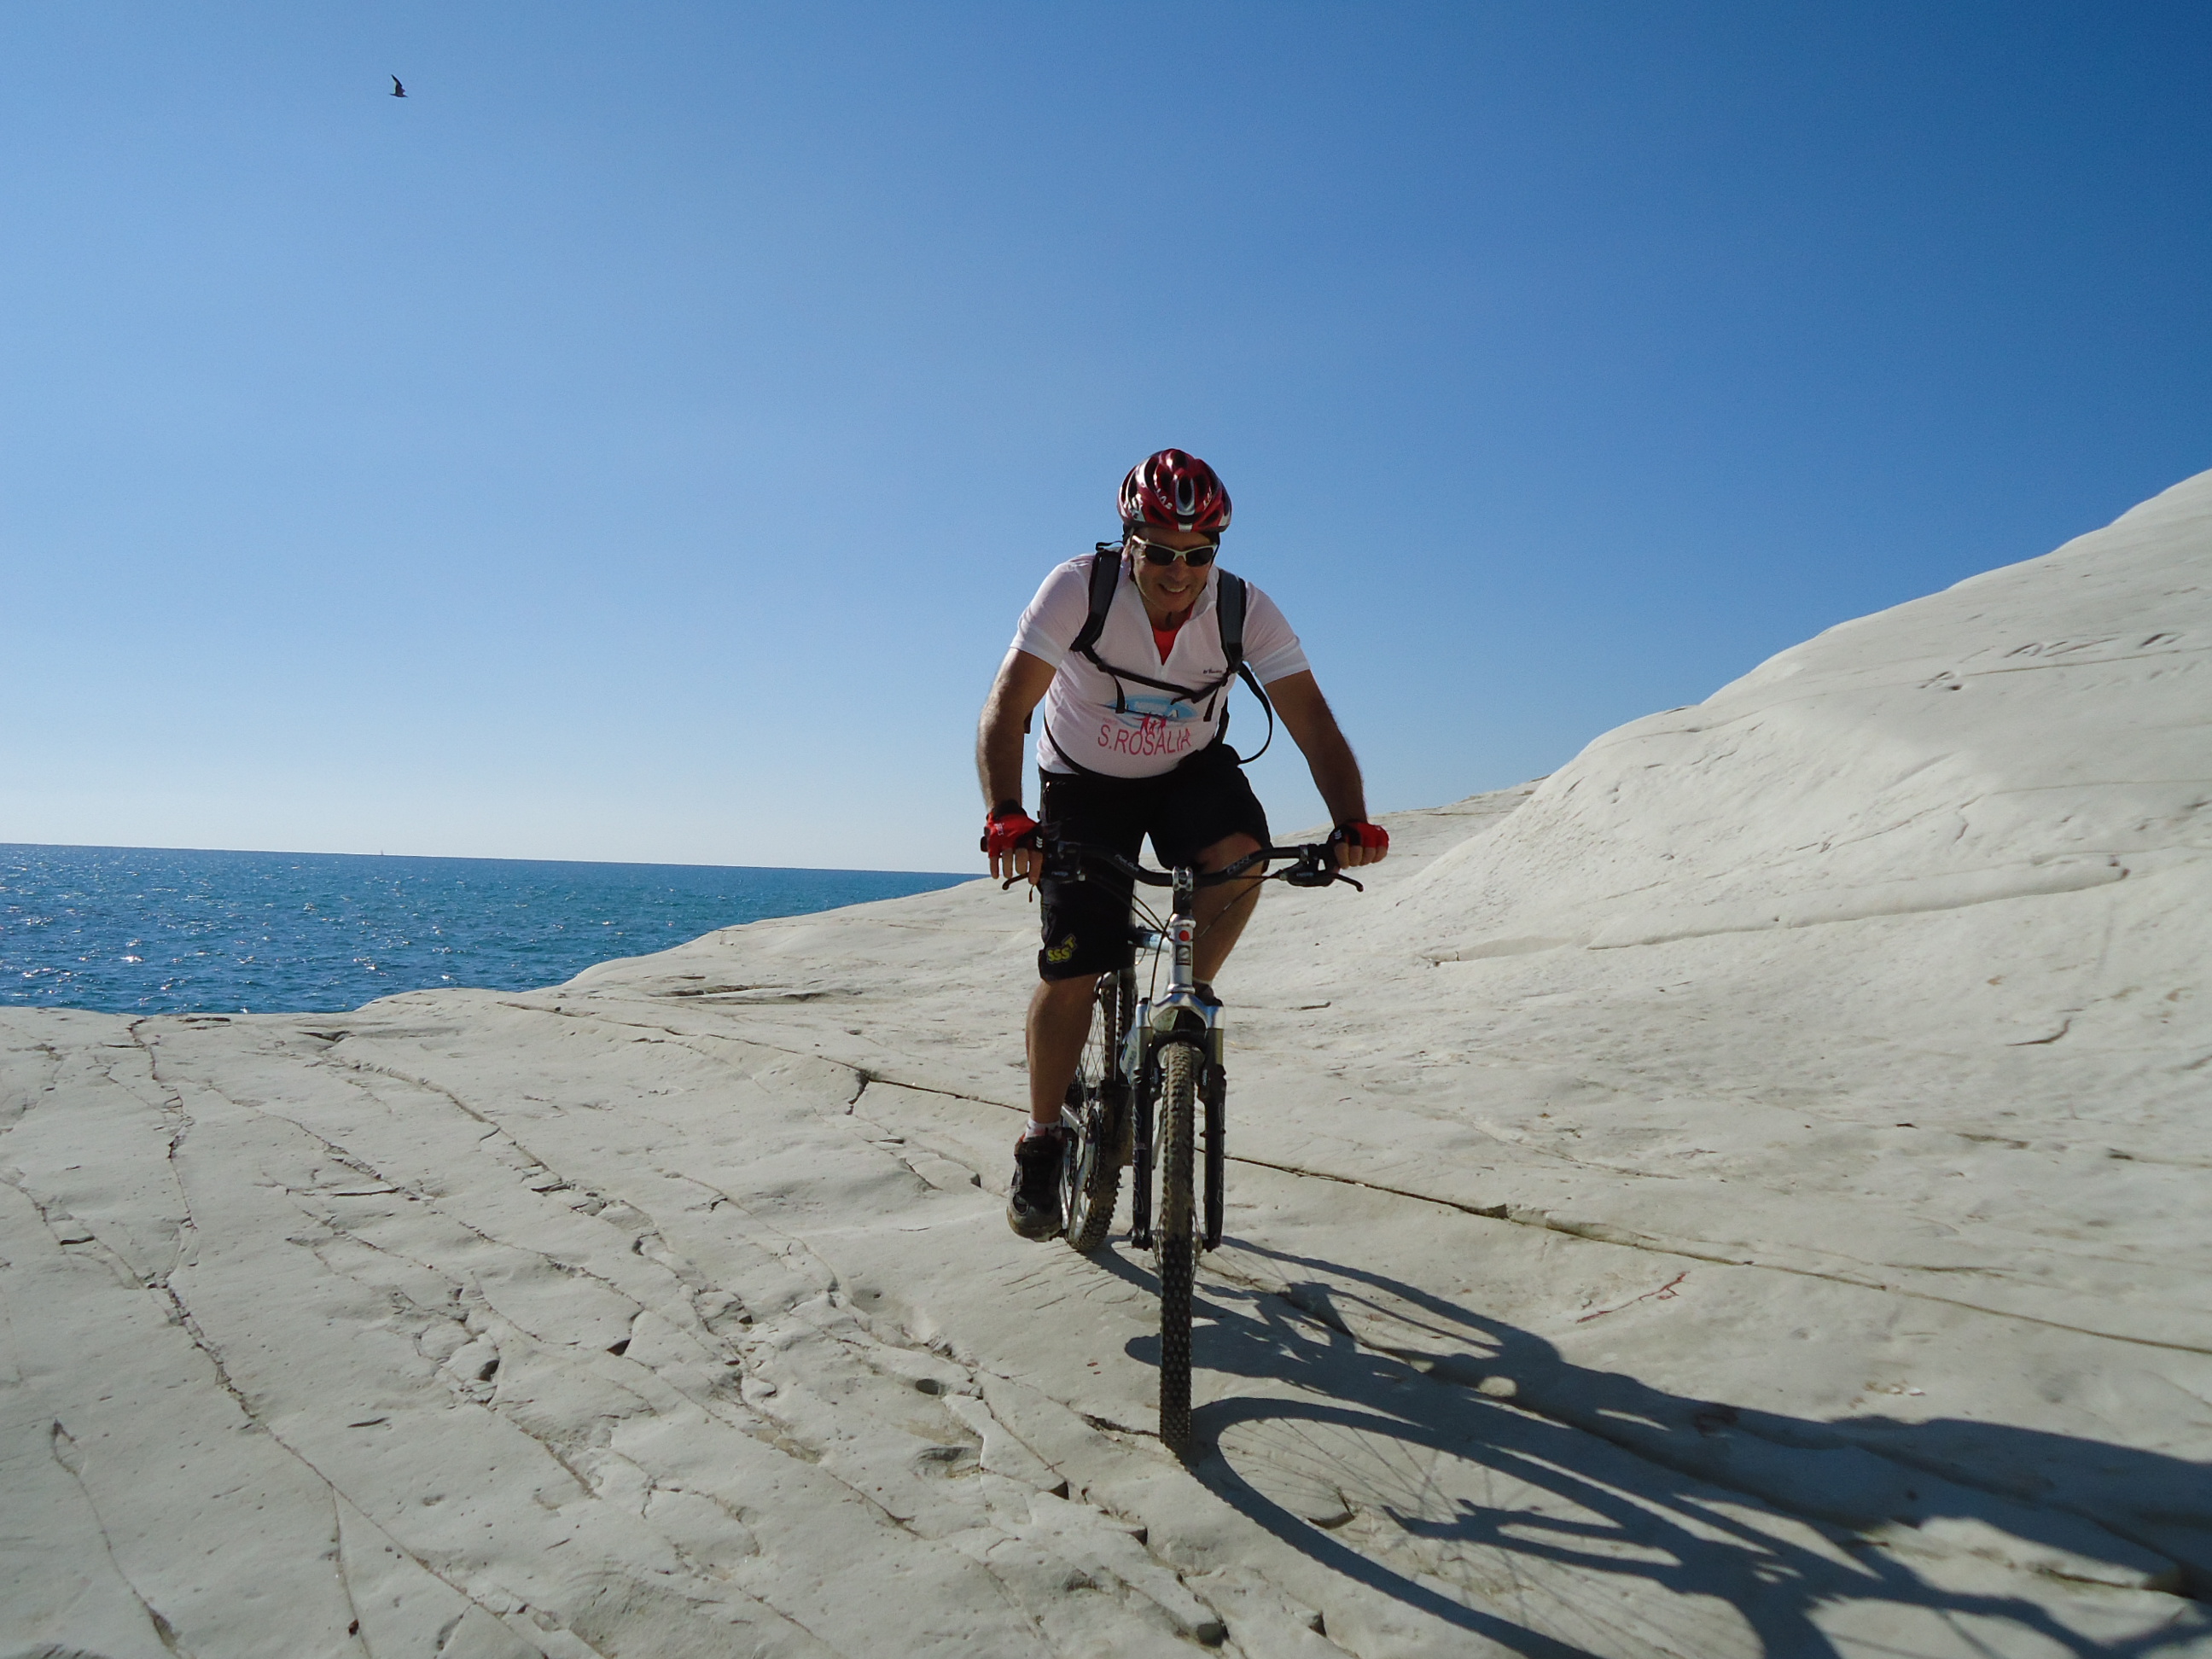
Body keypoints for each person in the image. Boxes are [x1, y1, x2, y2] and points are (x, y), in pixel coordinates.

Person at [975, 448, 1388, 1239]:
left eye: (1198, 555)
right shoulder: (1078, 590)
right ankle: (1043, 1138)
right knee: (1074, 964)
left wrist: (1351, 821)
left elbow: (1312, 721)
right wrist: (1007, 813)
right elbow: (1008, 704)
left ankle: (1181, 1006)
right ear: (1129, 542)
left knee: (1241, 857)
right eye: (1161, 552)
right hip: (1082, 784)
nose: (1179, 572)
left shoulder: (1243, 609)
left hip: (1186, 774)